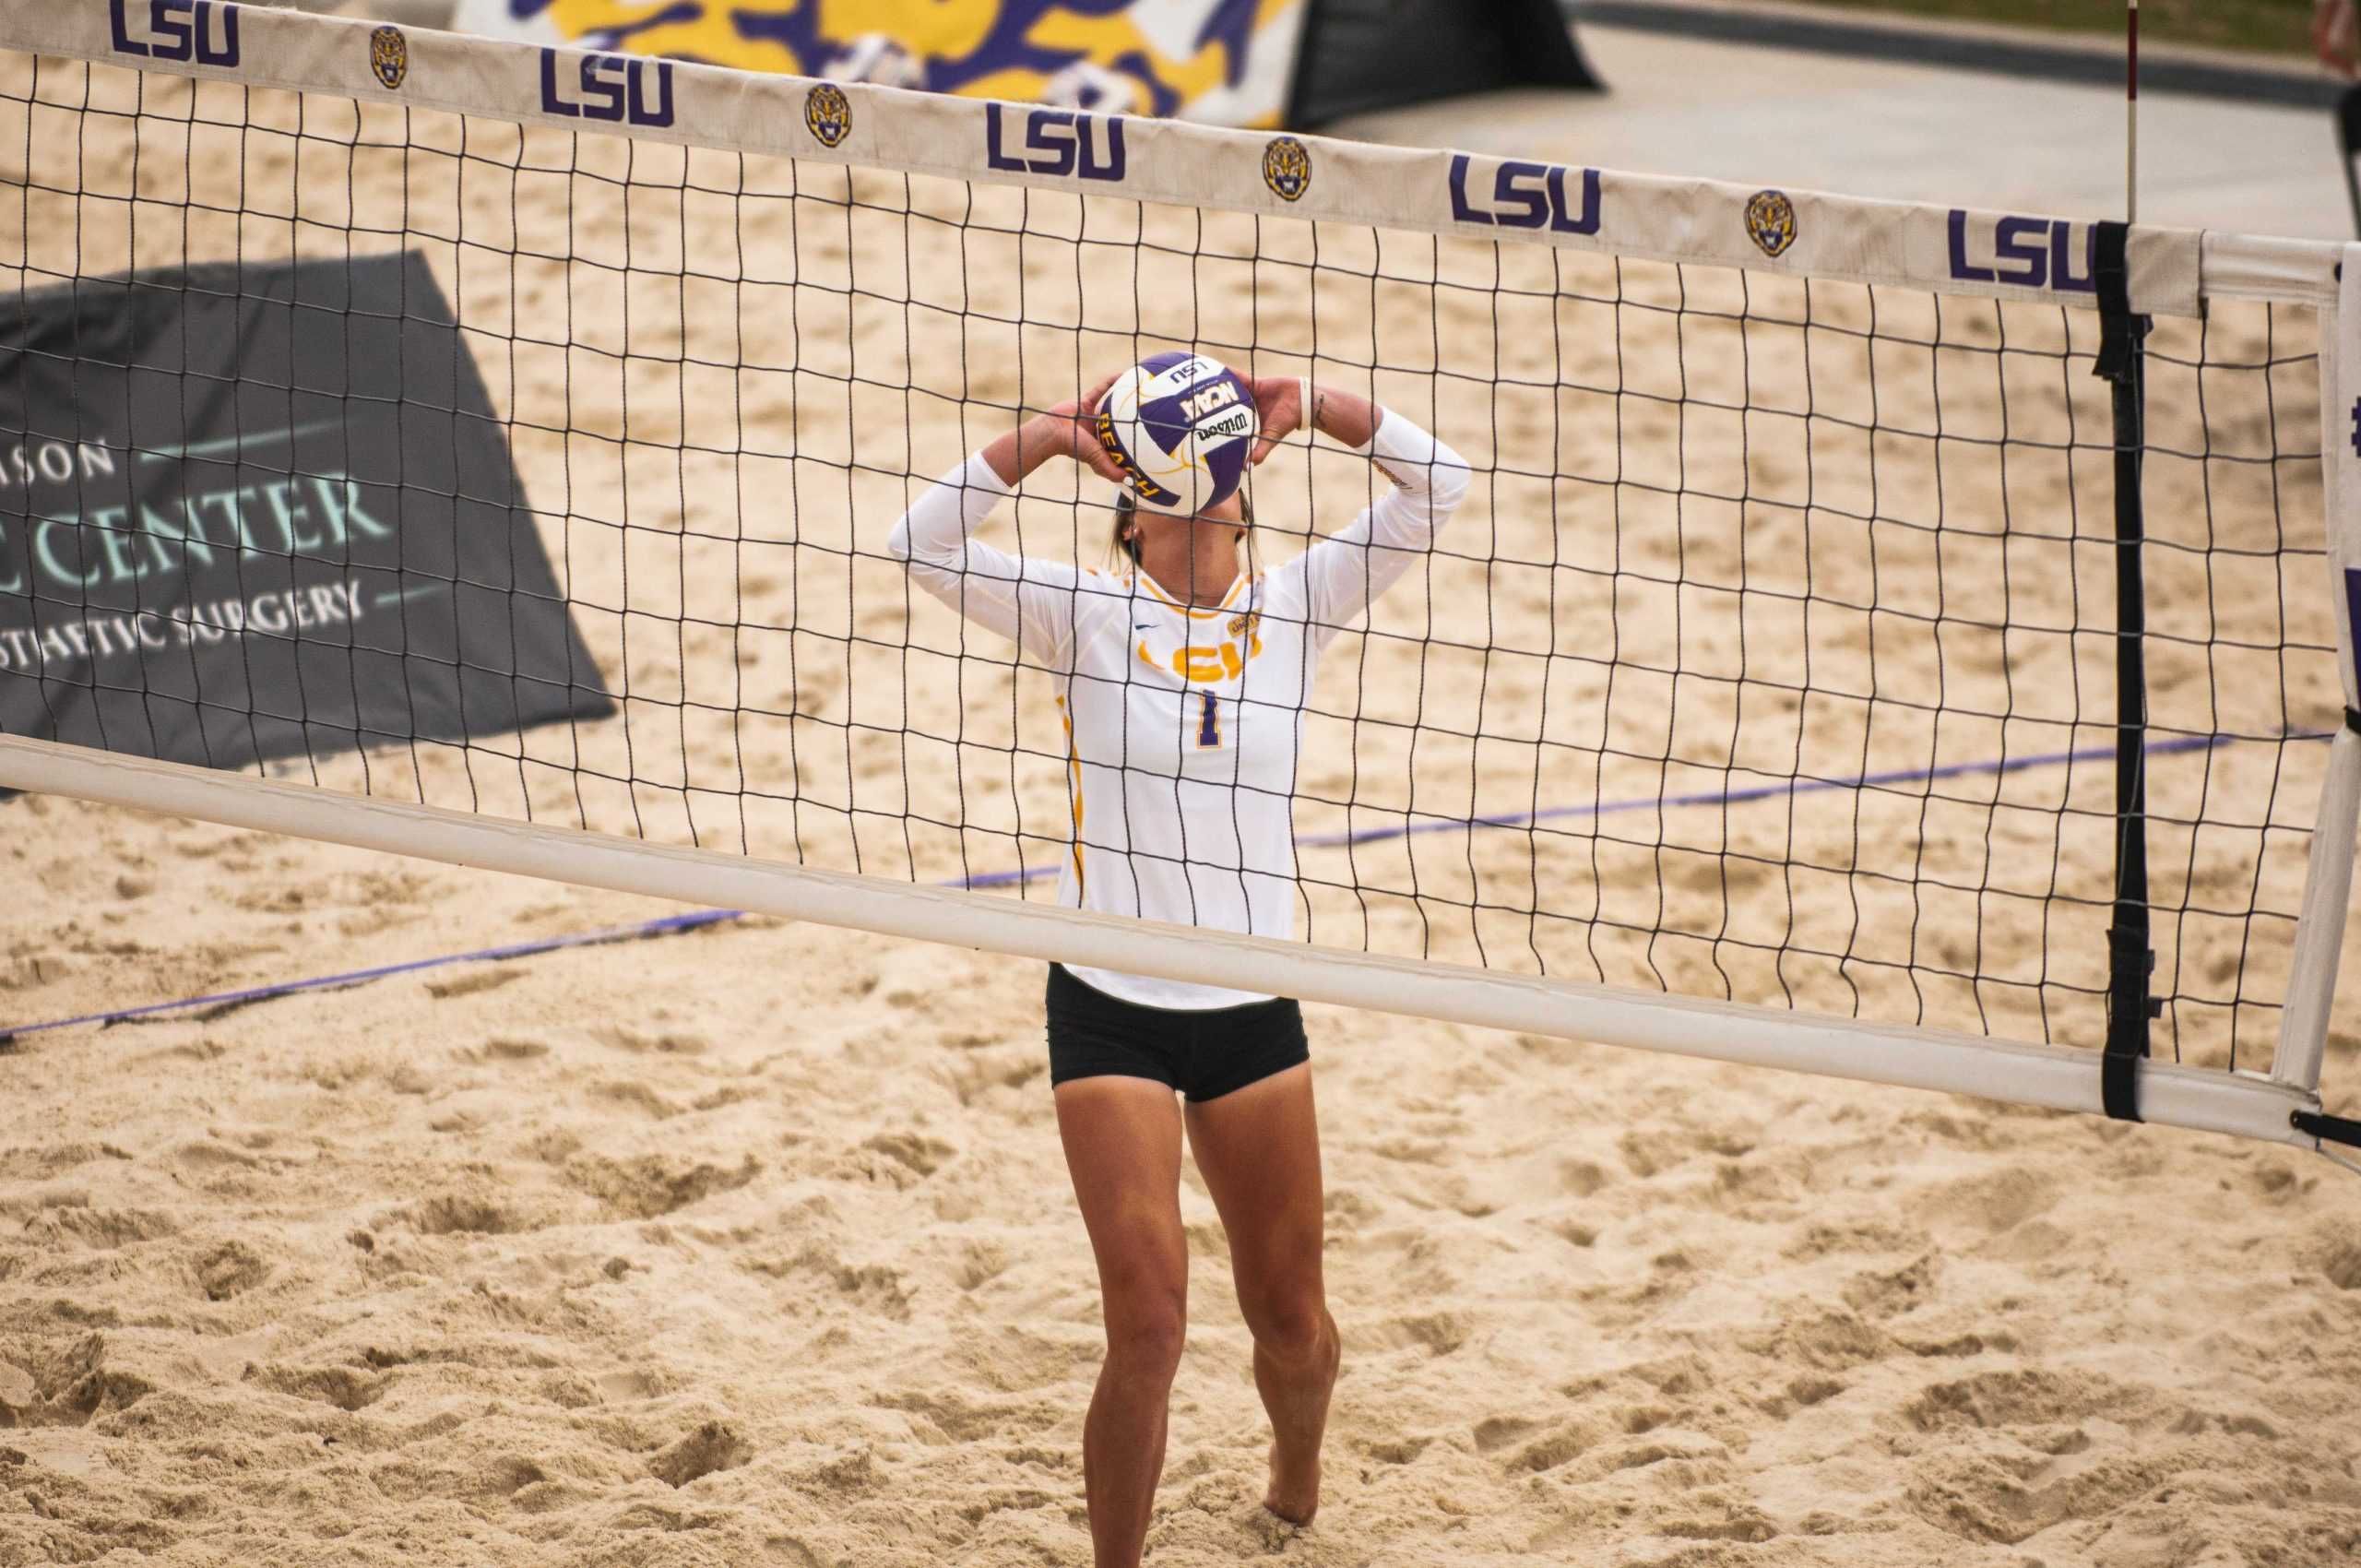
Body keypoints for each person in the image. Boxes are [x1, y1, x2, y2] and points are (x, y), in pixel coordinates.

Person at [887, 365, 1469, 1563]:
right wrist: (1049, 437)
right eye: (1176, 494)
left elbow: (1439, 484)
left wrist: (1312, 407)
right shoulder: (1086, 615)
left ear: (1247, 499)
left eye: (1225, 492)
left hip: (1251, 1003)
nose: (1205, 512)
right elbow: (921, 543)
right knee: (1150, 1322)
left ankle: (1294, 1477)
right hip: (1108, 1003)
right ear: (1135, 505)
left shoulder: (1300, 605)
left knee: (1292, 1322)